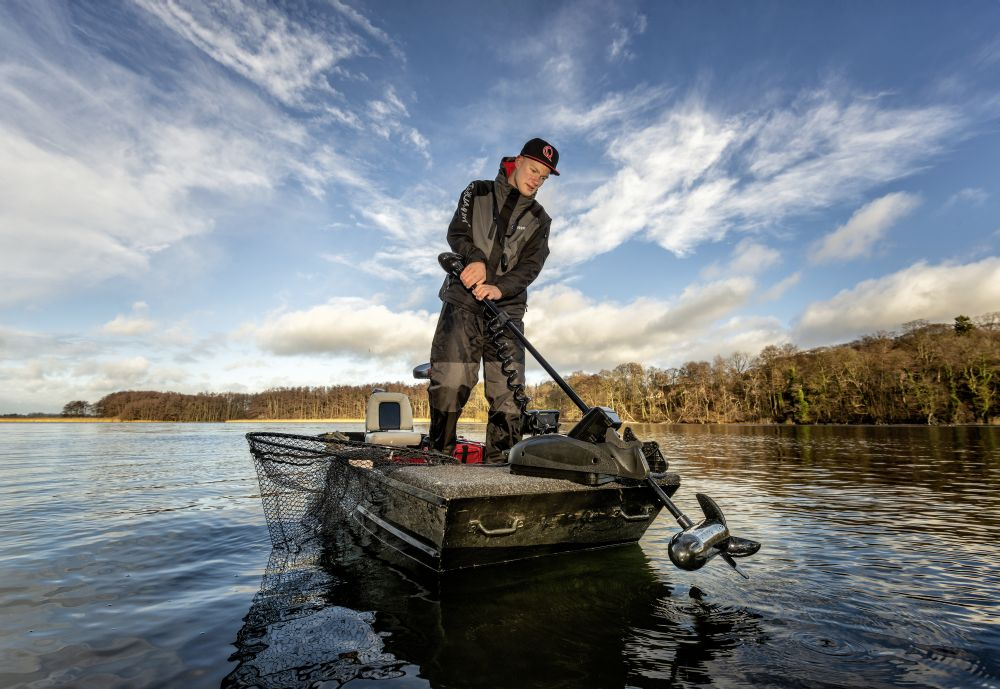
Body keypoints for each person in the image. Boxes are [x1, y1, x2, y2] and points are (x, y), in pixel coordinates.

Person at [428, 138, 560, 462]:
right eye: (533, 170)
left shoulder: (541, 220)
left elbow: (532, 266)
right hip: (463, 303)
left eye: (543, 177)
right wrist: (474, 259)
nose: (536, 180)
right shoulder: (478, 191)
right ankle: (438, 457)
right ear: (517, 161)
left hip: (507, 312)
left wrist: (500, 288)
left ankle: (501, 466)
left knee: (508, 397)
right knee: (450, 382)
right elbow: (457, 232)